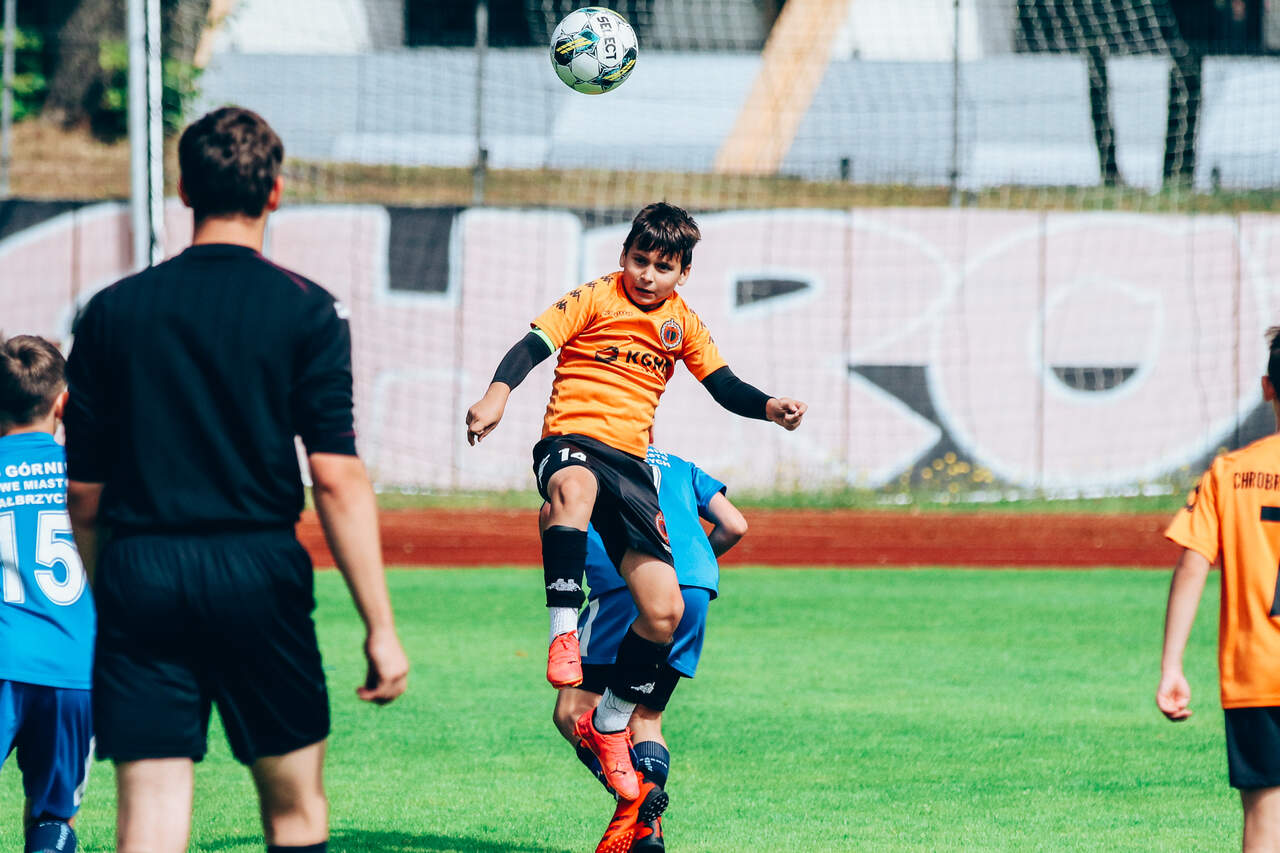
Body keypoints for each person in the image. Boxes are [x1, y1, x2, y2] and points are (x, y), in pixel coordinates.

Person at [63, 106, 409, 853]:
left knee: (150, 815)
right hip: (259, 573)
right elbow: (336, 478)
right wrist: (380, 628)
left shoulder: (111, 312)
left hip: (142, 573)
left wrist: (107, 602)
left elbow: (85, 498)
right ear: (275, 192)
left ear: (185, 190)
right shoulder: (308, 309)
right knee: (294, 811)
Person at [465, 201, 805, 802]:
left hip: (631, 465)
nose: (647, 274)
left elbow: (723, 385)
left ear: (683, 273)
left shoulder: (684, 324)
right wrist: (498, 396)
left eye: (662, 266)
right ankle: (563, 633)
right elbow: (531, 346)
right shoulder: (594, 297)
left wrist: (769, 406)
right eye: (639, 260)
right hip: (571, 440)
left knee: (665, 609)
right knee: (572, 489)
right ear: (623, 255)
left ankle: (611, 723)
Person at [543, 444, 746, 853]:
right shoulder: (680, 464)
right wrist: (685, 569)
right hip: (695, 588)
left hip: (627, 588)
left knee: (572, 711)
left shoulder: (582, 457)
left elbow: (558, 522)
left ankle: (636, 795)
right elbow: (735, 525)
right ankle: (648, 829)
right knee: (646, 717)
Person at [1158, 325, 1280, 851]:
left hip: (1257, 675)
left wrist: (1172, 664)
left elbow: (1193, 564)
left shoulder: (1230, 473)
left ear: (1267, 388)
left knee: (1265, 821)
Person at [0, 335, 94, 853]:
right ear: (63, 403)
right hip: (70, 671)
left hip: (4, 658)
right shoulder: (89, 478)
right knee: (53, 818)